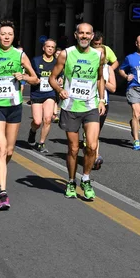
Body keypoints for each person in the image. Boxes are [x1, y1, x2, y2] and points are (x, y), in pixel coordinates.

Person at [0, 21, 38, 210]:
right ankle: (3, 193)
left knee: (10, 151)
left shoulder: (20, 54)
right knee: (1, 148)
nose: (6, 37)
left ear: (13, 37)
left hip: (14, 106)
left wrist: (25, 78)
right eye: (3, 34)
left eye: (9, 34)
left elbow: (35, 78)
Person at [49, 23, 106, 200]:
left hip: (90, 105)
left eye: (87, 33)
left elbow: (100, 78)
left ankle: (86, 179)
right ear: (76, 35)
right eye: (81, 33)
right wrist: (60, 91)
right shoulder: (66, 54)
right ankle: (72, 181)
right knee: (73, 149)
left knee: (92, 146)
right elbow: (52, 78)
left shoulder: (99, 55)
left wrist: (102, 99)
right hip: (70, 107)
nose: (84, 36)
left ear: (91, 36)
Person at [27, 38, 59, 153]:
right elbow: (29, 75)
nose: (50, 49)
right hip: (36, 93)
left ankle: (41, 143)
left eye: (52, 47)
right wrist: (33, 80)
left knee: (47, 119)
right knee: (37, 121)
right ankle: (32, 131)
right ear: (43, 48)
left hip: (50, 93)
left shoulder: (57, 62)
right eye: (48, 47)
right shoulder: (36, 61)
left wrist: (59, 81)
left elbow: (60, 76)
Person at [89, 42, 117, 170]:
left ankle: (93, 155)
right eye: (97, 53)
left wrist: (102, 81)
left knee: (95, 132)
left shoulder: (108, 69)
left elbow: (113, 88)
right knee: (89, 133)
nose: (99, 55)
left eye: (102, 54)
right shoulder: (87, 65)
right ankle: (94, 155)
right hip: (87, 102)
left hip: (102, 103)